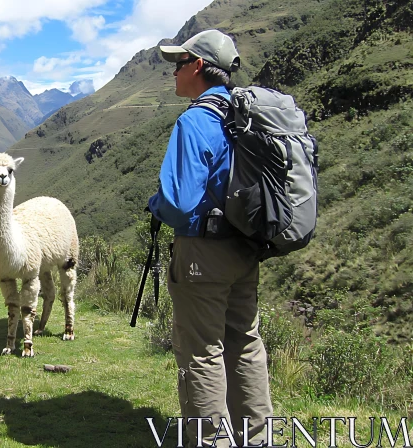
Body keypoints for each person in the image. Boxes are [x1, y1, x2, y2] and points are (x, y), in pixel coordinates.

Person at [147, 29, 273, 447]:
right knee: (245, 344)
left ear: (198, 66)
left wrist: (155, 203)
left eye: (178, 64)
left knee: (201, 353)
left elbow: (179, 203)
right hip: (245, 248)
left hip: (202, 252)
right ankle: (257, 438)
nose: (174, 73)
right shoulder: (247, 116)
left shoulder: (196, 121)